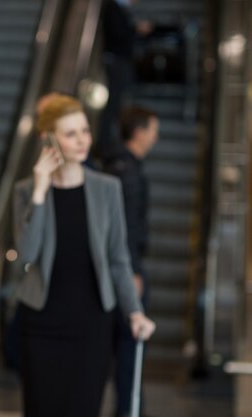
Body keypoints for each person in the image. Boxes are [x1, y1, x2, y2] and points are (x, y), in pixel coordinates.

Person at [12, 93, 155, 417]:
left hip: (92, 325)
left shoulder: (107, 188)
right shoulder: (26, 191)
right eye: (70, 133)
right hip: (42, 324)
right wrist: (39, 191)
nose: (82, 140)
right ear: (49, 138)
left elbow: (119, 258)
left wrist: (134, 311)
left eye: (85, 131)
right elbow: (26, 254)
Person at [104, 106, 159, 417]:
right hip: (127, 271)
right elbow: (126, 227)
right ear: (139, 132)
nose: (156, 136)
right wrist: (134, 271)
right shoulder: (126, 172)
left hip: (124, 268)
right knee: (128, 349)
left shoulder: (118, 166)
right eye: (153, 129)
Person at [95, 0, 153, 160]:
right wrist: (135, 30)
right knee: (114, 103)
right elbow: (119, 36)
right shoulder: (113, 9)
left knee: (117, 103)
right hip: (117, 61)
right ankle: (105, 143)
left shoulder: (118, 9)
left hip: (119, 61)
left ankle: (109, 142)